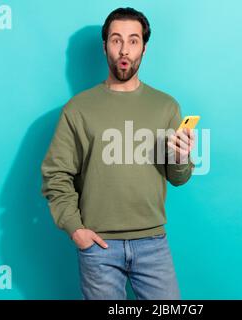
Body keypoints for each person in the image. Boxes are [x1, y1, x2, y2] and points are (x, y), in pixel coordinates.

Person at [41, 7, 195, 300]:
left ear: (144, 48)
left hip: (153, 243)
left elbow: (179, 178)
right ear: (105, 46)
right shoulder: (78, 109)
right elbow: (56, 175)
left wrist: (181, 157)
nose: (124, 49)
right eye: (116, 40)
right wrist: (76, 230)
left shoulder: (166, 107)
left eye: (133, 40)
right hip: (99, 246)